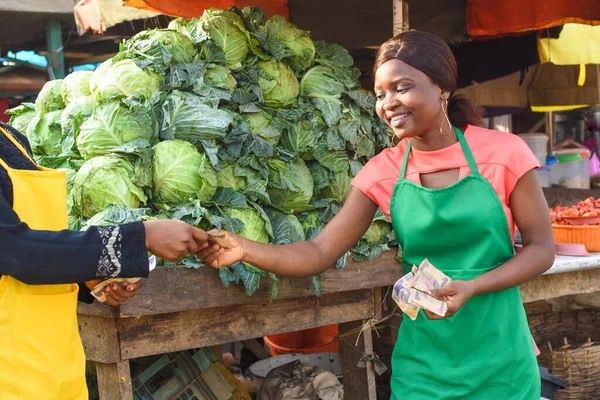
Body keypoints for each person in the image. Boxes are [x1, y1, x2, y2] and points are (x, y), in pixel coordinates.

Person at [198, 31, 555, 399]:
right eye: (381, 94)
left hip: (501, 359)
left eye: (402, 88)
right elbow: (318, 252)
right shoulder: (383, 171)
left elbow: (541, 249)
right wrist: (244, 248)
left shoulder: (504, 153)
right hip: (424, 367)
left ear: (442, 88)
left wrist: (473, 286)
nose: (389, 104)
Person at [0, 120, 209, 399]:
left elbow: (30, 251)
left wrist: (89, 280)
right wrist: (139, 238)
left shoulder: (10, 138)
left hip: (55, 370)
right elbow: (16, 251)